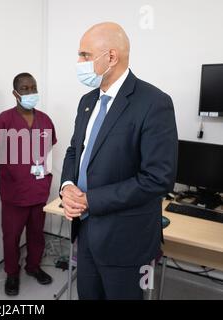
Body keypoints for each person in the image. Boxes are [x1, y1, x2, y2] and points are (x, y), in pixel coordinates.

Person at [60, 22, 178, 300]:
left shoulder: (154, 103)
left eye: (85, 55)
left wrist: (90, 200)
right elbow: (74, 151)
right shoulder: (87, 101)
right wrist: (66, 186)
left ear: (111, 57)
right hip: (86, 231)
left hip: (126, 240)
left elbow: (157, 178)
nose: (78, 62)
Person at [0, 73, 57, 296]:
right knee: (12, 236)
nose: (30, 92)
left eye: (33, 87)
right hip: (14, 193)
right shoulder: (4, 120)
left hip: (38, 189)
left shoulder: (44, 120)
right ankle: (12, 274)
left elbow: (49, 145)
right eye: (25, 88)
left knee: (37, 234)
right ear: (15, 93)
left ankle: (33, 267)